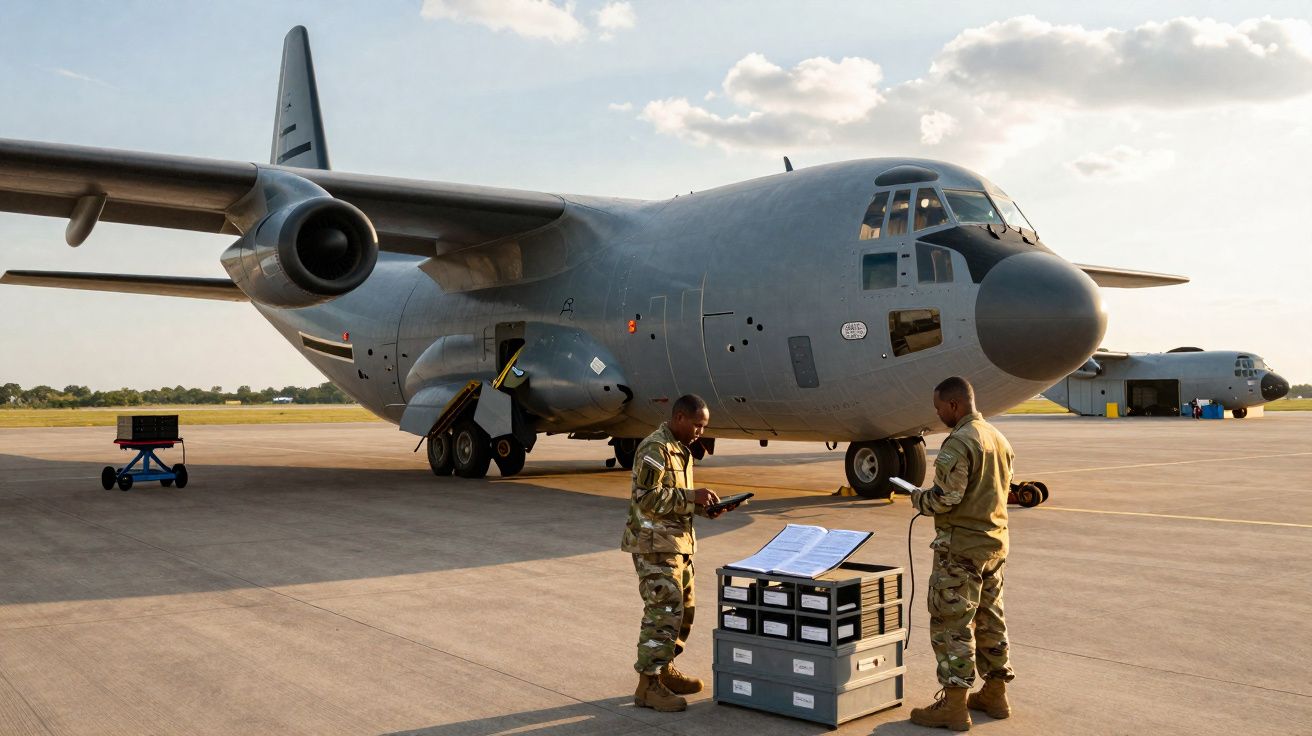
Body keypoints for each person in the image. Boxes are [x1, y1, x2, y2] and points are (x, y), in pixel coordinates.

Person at [907, 376, 1015, 731]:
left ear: (954, 405)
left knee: (951, 623)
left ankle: (954, 706)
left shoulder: (960, 442)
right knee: (989, 619)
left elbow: (946, 498)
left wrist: (918, 498)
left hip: (961, 551)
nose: (938, 415)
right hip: (993, 545)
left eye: (940, 408)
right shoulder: (998, 439)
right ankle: (995, 695)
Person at [620, 394, 734, 712]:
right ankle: (648, 685)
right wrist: (690, 495)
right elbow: (646, 497)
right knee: (663, 611)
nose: (701, 431)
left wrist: (706, 508)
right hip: (653, 545)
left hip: (677, 543)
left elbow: (674, 501)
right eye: (698, 425)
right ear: (680, 417)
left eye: (704, 426)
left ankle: (665, 669)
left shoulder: (680, 450)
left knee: (683, 612)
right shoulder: (655, 448)